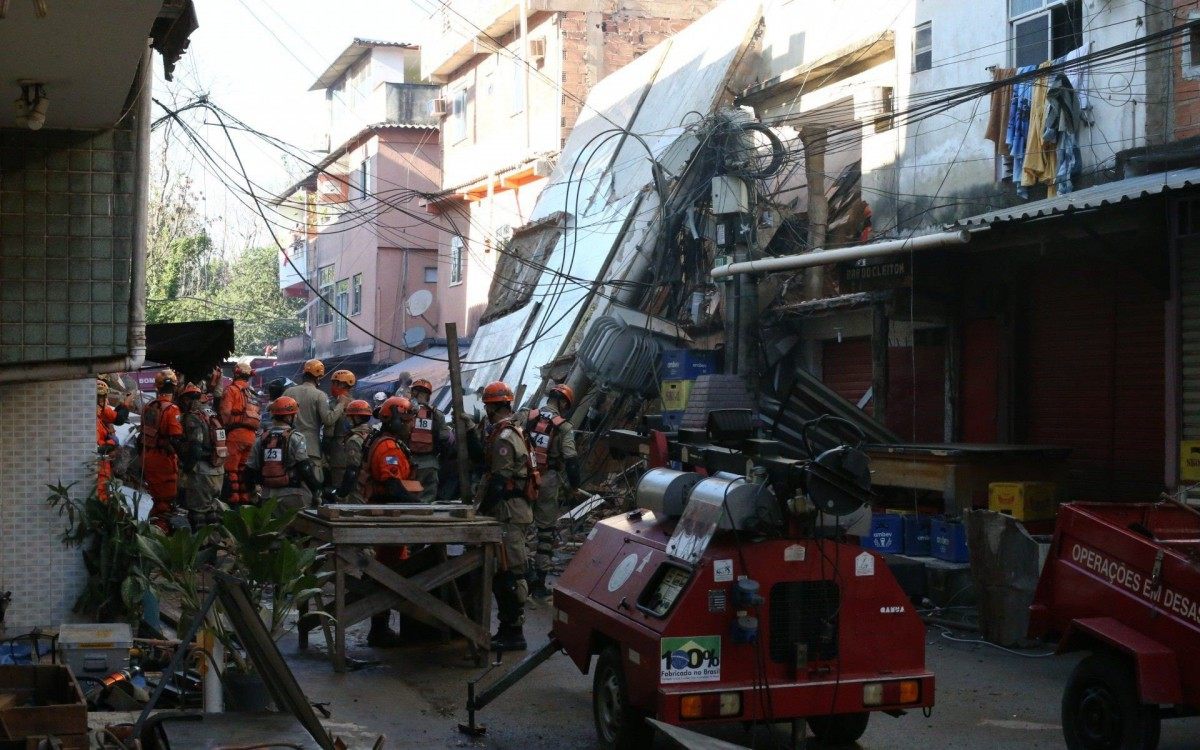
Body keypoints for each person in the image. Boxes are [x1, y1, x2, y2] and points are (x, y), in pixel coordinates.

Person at [466, 381, 535, 651]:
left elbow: (499, 481)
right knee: (503, 571)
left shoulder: (505, 438)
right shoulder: (509, 431)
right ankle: (508, 627)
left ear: (494, 407)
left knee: (510, 572)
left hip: (509, 513)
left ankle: (513, 632)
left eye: (487, 407)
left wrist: (482, 511)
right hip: (511, 511)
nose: (485, 411)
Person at [357, 396, 422, 647]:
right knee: (387, 572)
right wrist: (418, 508)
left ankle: (380, 627)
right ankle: (379, 628)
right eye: (406, 421)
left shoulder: (388, 442)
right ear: (394, 420)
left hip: (388, 515)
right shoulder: (388, 448)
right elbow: (392, 485)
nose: (410, 426)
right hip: (387, 518)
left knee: (386, 571)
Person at [524, 383, 580, 600]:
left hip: (525, 479)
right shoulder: (564, 427)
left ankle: (520, 574)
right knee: (545, 532)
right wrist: (574, 485)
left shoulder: (528, 416)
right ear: (564, 403)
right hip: (548, 481)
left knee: (520, 528)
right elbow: (571, 459)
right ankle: (538, 585)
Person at [244, 396, 321, 513]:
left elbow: (249, 470)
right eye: (295, 415)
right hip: (294, 496)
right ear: (289, 417)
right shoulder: (296, 438)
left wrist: (253, 495)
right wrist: (316, 492)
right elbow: (304, 467)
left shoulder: (261, 439)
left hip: (267, 497)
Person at [284, 359, 347, 487]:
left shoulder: (289, 392)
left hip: (288, 445)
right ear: (319, 377)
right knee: (312, 485)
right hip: (311, 448)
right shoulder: (319, 395)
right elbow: (328, 420)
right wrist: (341, 405)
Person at [141, 369, 185, 531]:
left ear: (157, 387)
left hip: (148, 457)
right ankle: (160, 537)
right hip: (164, 460)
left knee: (155, 499)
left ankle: (151, 532)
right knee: (165, 504)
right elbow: (175, 437)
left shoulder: (148, 407)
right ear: (174, 388)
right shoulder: (172, 409)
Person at [177, 383, 227, 527]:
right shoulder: (213, 415)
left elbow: (196, 447)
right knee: (211, 511)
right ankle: (215, 545)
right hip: (218, 470)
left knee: (197, 513)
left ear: (187, 400)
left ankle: (201, 546)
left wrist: (186, 469)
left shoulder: (193, 418)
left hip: (201, 472)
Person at [219, 362, 261, 505]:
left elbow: (225, 412)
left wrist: (222, 428)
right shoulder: (252, 392)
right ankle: (245, 500)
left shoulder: (231, 390)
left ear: (235, 374)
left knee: (231, 469)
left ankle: (233, 501)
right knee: (243, 469)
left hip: (235, 434)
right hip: (251, 436)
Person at [408, 379, 445, 503]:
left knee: (408, 500)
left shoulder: (405, 411)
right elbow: (444, 437)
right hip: (430, 463)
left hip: (409, 463)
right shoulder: (436, 415)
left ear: (413, 393)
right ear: (429, 396)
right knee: (427, 502)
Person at [322, 370, 357, 495]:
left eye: (336, 384)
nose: (333, 387)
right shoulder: (356, 404)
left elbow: (328, 430)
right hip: (352, 453)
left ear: (345, 385)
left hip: (337, 454)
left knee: (337, 488)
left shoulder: (335, 404)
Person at [332, 399, 374, 503]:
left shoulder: (354, 440)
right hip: (372, 485)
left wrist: (341, 494)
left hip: (359, 488)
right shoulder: (373, 434)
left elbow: (352, 471)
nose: (348, 419)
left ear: (356, 417)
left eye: (350, 416)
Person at [95, 379, 129, 501]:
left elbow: (119, 418)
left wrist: (124, 405)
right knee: (101, 496)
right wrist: (112, 443)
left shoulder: (101, 413)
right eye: (101, 398)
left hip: (103, 465)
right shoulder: (92, 419)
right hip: (99, 466)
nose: (103, 401)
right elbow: (97, 449)